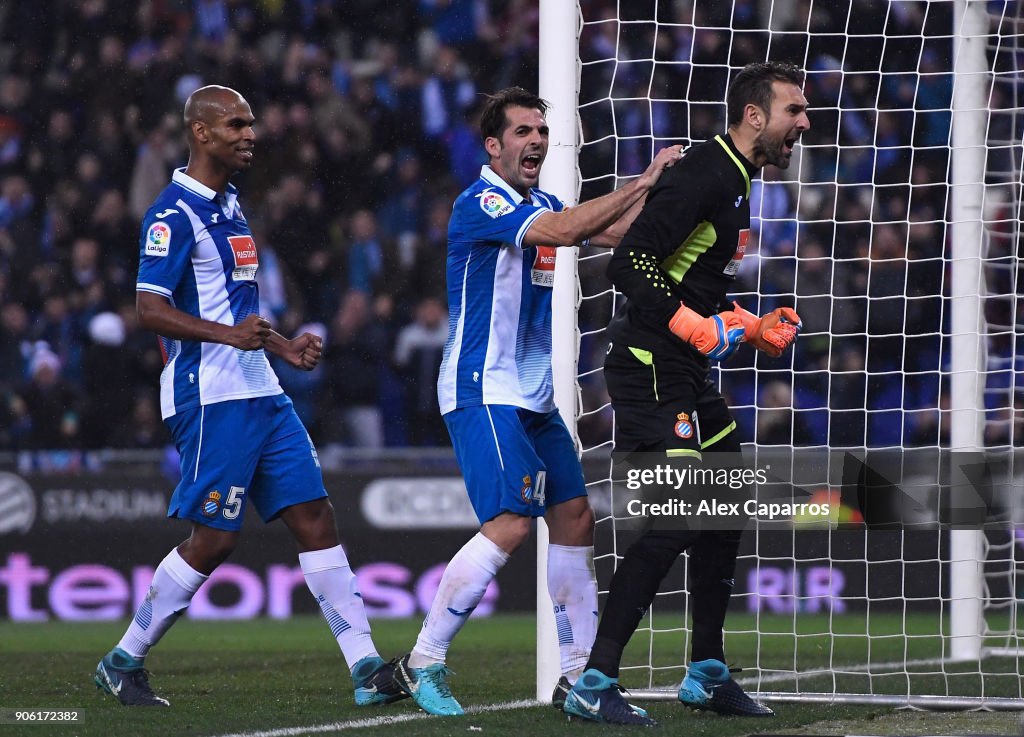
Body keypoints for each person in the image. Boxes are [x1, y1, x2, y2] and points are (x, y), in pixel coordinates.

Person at [94, 85, 404, 708]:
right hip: (210, 396)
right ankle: (122, 659)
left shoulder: (231, 205)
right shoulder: (171, 214)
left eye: (252, 123)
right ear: (201, 133)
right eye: (236, 124)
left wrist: (284, 347)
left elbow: (239, 312)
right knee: (215, 540)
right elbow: (149, 311)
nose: (250, 134)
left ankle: (367, 669)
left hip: (261, 388)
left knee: (316, 517)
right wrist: (228, 338)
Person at [391, 87, 683, 716]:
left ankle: (580, 679)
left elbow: (617, 232)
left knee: (576, 518)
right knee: (512, 525)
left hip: (535, 396)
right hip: (482, 388)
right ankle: (424, 662)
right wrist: (646, 177)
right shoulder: (482, 202)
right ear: (492, 146)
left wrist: (696, 220)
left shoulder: (544, 202)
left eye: (542, 132)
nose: (537, 142)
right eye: (523, 131)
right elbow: (569, 228)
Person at [563, 61, 810, 725]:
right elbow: (629, 261)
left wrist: (748, 326)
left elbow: (694, 283)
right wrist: (689, 324)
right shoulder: (706, 170)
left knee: (726, 502)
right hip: (647, 366)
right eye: (794, 110)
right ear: (754, 115)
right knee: (675, 517)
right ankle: (593, 680)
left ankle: (706, 671)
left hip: (684, 372)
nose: (805, 123)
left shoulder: (738, 180)